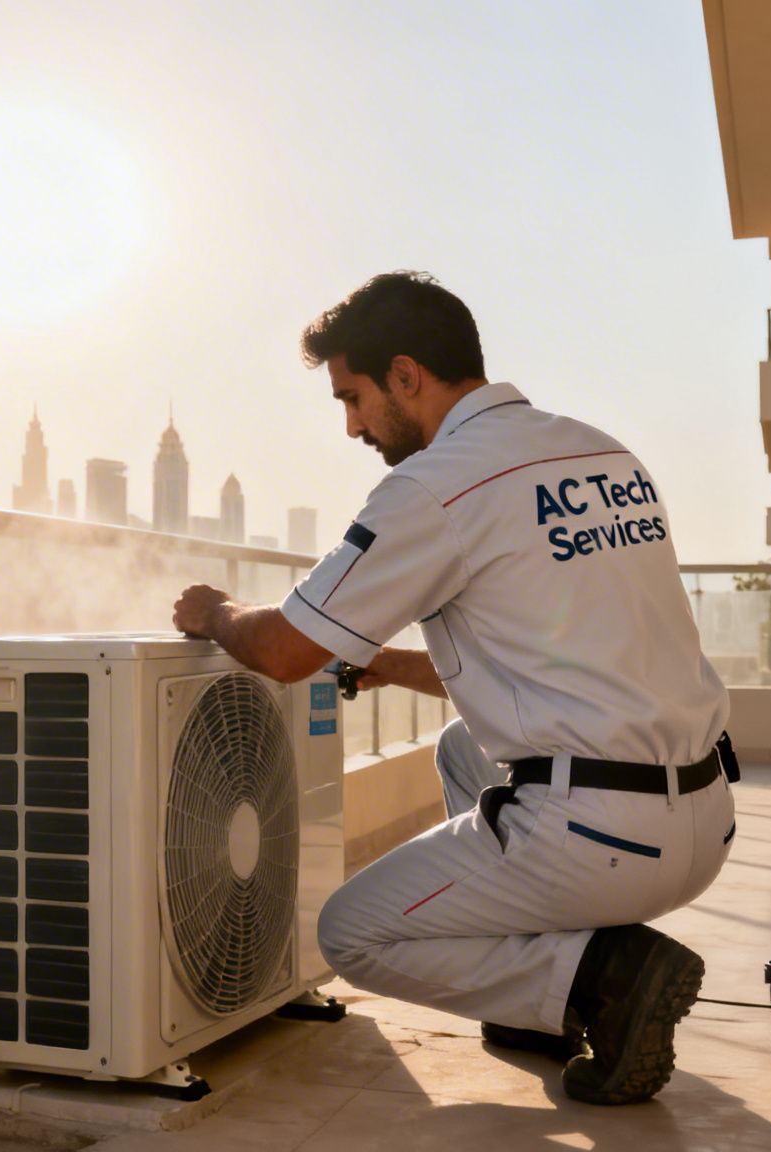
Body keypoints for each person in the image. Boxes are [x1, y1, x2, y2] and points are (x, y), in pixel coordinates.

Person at [170, 271, 735, 1105]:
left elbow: (286, 648)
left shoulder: (436, 487)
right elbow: (550, 664)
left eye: (353, 397)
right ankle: (539, 1003)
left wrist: (217, 611)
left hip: (601, 837)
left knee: (351, 933)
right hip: (703, 818)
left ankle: (600, 977)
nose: (354, 424)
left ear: (407, 375)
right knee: (464, 747)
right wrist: (387, 662)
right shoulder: (600, 451)